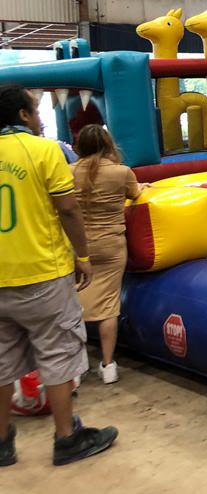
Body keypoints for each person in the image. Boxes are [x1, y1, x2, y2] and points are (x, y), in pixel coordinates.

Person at [0, 84, 118, 467]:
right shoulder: (43, 151)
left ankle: (2, 442)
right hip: (41, 272)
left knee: (1, 361)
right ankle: (66, 437)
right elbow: (67, 209)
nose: (39, 118)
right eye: (35, 111)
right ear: (22, 115)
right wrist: (82, 256)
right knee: (58, 353)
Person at [71, 124, 145, 384]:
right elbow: (135, 194)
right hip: (111, 245)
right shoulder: (121, 172)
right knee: (108, 306)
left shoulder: (69, 172)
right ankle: (108, 364)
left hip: (78, 247)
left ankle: (75, 369)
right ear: (107, 145)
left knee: (73, 306)